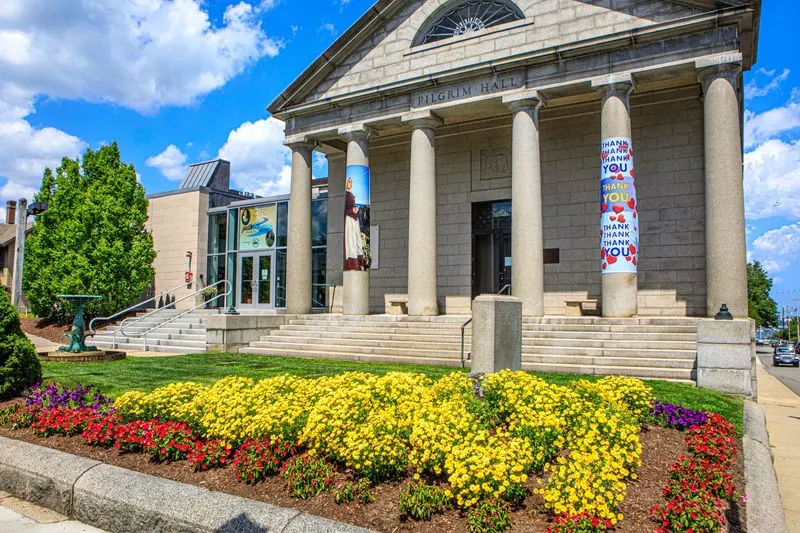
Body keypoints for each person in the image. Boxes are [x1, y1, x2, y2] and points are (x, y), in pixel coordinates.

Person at [344, 177, 365, 270]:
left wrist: (354, 209)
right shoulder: (344, 195)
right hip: (349, 219)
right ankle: (353, 264)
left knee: (356, 240)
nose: (350, 184)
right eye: (349, 182)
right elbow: (343, 209)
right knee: (351, 240)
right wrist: (352, 210)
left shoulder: (350, 194)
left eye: (351, 182)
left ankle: (360, 263)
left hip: (354, 219)